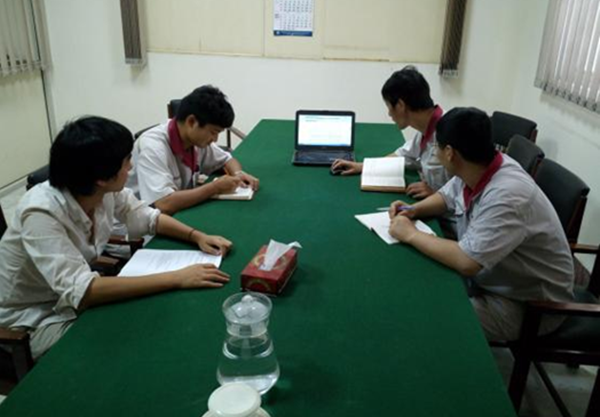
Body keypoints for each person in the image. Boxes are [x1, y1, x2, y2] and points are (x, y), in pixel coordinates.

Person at [0, 116, 233, 359]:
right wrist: (177, 278)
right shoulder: (41, 213)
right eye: (126, 161)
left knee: (147, 322)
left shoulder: (102, 190)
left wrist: (197, 236)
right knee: (124, 346)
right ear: (101, 177)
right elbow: (84, 291)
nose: (130, 167)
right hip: (32, 319)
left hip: (68, 299)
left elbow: (147, 217)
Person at [387, 107, 574, 341]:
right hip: (498, 280)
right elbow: (446, 196)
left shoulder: (508, 195)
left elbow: (467, 261)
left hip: (529, 305)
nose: (435, 152)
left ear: (450, 153)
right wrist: (413, 210)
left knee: (430, 316)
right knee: (421, 288)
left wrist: (411, 234)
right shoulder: (479, 165)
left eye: (437, 147)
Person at [128, 85, 259, 215]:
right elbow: (163, 204)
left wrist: (238, 174)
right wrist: (214, 188)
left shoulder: (194, 139)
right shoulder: (153, 146)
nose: (215, 139)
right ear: (191, 122)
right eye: (213, 132)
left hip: (174, 212)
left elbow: (227, 160)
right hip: (139, 222)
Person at [332, 66, 450, 199]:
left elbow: (466, 186)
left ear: (400, 106)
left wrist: (438, 194)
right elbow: (403, 156)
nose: (389, 114)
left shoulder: (452, 131)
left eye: (389, 106)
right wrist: (363, 167)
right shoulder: (426, 129)